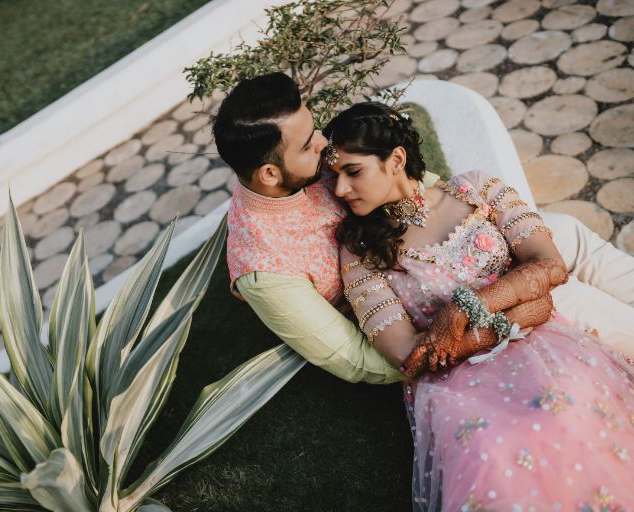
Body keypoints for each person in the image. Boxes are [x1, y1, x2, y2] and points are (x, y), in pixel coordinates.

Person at [214, 72, 634, 390]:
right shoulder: (263, 270)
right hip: (413, 302)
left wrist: (482, 228)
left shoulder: (306, 164)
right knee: (564, 298)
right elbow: (360, 360)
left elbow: (417, 188)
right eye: (309, 145)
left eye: (316, 131)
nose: (324, 144)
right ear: (269, 173)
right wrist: (482, 331)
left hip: (448, 252)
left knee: (564, 237)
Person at [326, 101, 634, 509]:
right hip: (457, 381)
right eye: (334, 177)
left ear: (396, 159)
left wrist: (460, 310)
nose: (341, 190)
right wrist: (524, 310)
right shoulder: (359, 248)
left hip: (543, 344)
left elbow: (549, 265)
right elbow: (409, 354)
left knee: (570, 407)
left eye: (353, 172)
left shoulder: (476, 188)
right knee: (493, 448)